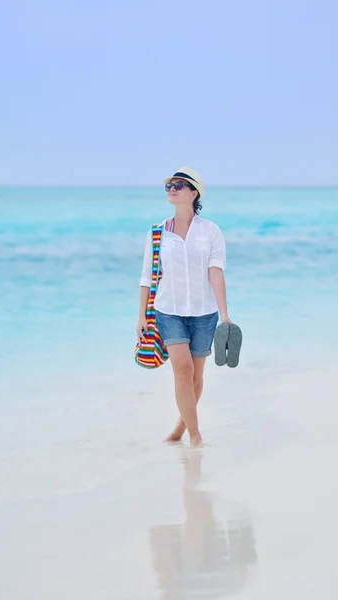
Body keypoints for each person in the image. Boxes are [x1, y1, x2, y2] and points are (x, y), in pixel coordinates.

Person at [136, 167, 232, 447]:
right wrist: (141, 315)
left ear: (194, 192)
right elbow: (146, 276)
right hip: (168, 310)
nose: (172, 189)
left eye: (179, 185)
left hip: (204, 313)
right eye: (169, 186)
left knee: (196, 377)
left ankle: (181, 425)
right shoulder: (157, 233)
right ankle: (196, 435)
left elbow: (216, 273)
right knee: (182, 369)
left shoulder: (211, 231)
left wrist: (225, 316)